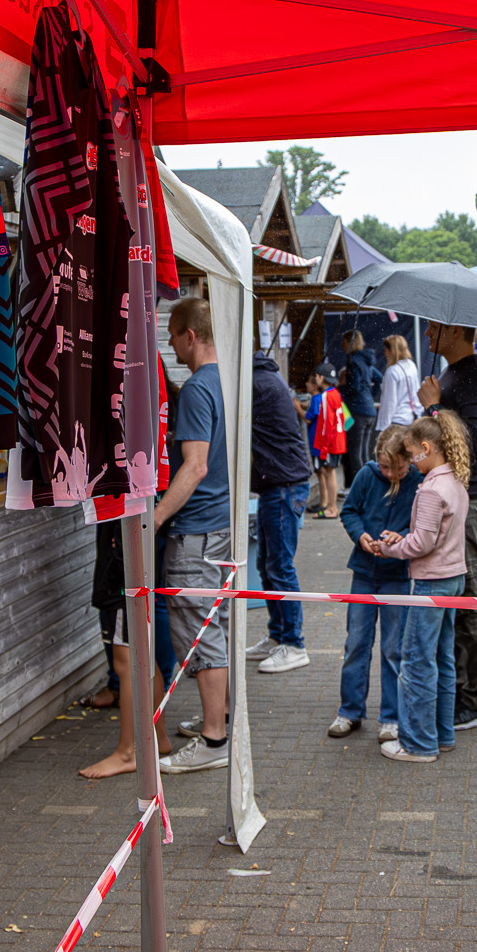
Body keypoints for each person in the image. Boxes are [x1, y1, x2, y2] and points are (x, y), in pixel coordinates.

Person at [364, 412, 471, 763]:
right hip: (453, 577)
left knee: (416, 662)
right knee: (442, 658)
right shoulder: (455, 481)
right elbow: (431, 537)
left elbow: (422, 545)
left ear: (426, 448)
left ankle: (418, 743)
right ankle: (441, 734)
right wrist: (405, 539)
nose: (410, 461)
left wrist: (389, 547)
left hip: (430, 581)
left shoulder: (431, 489)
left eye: (411, 454)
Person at [156, 299, 233, 774]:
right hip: (220, 527)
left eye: (172, 334)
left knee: (201, 634)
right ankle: (217, 720)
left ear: (190, 335)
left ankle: (213, 739)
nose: (169, 344)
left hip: (197, 532)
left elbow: (197, 464)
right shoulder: (229, 382)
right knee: (213, 625)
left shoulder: (199, 389)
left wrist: (157, 517)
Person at [418, 323, 477, 732]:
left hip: (467, 502)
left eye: (435, 327)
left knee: (469, 596)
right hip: (448, 497)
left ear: (454, 331)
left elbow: (476, 445)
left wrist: (434, 409)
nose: (429, 331)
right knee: (453, 594)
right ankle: (460, 690)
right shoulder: (450, 373)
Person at [331, 424, 418, 741]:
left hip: (397, 575)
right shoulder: (367, 476)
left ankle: (391, 717)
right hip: (364, 573)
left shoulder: (418, 481)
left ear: (408, 461)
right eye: (385, 467)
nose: (391, 474)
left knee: (394, 648)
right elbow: (349, 511)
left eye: (398, 468)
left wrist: (404, 536)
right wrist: (360, 536)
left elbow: (421, 525)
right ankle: (349, 711)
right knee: (356, 643)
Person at [79, 522, 176, 780]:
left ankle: (128, 753)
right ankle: (158, 738)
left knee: (129, 662)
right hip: (127, 560)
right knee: (141, 657)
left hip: (123, 569)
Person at [249, 349, 314, 674]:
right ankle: (278, 636)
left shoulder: (257, 382)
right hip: (279, 483)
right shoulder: (265, 377)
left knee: (279, 566)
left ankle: (294, 644)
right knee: (268, 563)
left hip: (284, 485)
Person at [338, 329, 381, 486]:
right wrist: (369, 393)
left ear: (349, 342)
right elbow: (379, 378)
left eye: (343, 342)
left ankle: (361, 488)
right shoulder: (367, 359)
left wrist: (338, 389)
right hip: (369, 410)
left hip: (357, 410)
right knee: (364, 452)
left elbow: (354, 387)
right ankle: (369, 484)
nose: (342, 345)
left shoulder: (354, 360)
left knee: (355, 454)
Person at [304, 362, 347, 519]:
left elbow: (327, 425)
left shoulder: (325, 396)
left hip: (330, 442)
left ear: (321, 378)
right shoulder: (335, 393)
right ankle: (331, 507)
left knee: (330, 473)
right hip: (336, 439)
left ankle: (332, 508)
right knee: (330, 473)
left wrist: (323, 447)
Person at [378, 334, 423, 430]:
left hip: (396, 421)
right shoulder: (412, 366)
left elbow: (390, 402)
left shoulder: (392, 371)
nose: (384, 353)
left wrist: (384, 427)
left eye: (386, 349)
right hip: (412, 418)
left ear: (391, 351)